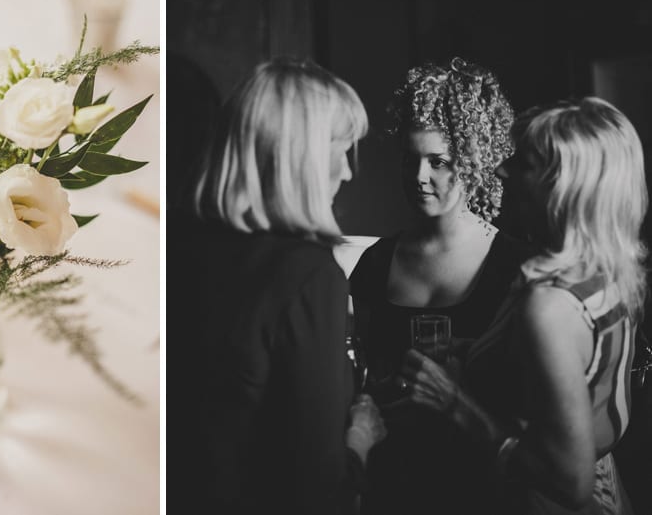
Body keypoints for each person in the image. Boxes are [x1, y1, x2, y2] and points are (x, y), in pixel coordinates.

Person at [400, 97, 646, 514]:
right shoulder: (604, 269)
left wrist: (453, 401)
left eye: (522, 162)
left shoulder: (549, 304)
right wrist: (481, 350)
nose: (500, 170)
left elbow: (570, 482)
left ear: (561, 185)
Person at [168, 58, 385, 515]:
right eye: (342, 149)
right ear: (299, 154)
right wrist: (361, 437)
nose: (347, 172)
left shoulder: (176, 245)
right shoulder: (308, 276)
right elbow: (317, 490)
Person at [349, 57, 529, 515]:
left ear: (472, 162)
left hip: (484, 489)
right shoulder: (374, 263)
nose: (419, 177)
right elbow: (354, 376)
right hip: (392, 485)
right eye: (411, 160)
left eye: (438, 162)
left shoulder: (516, 266)